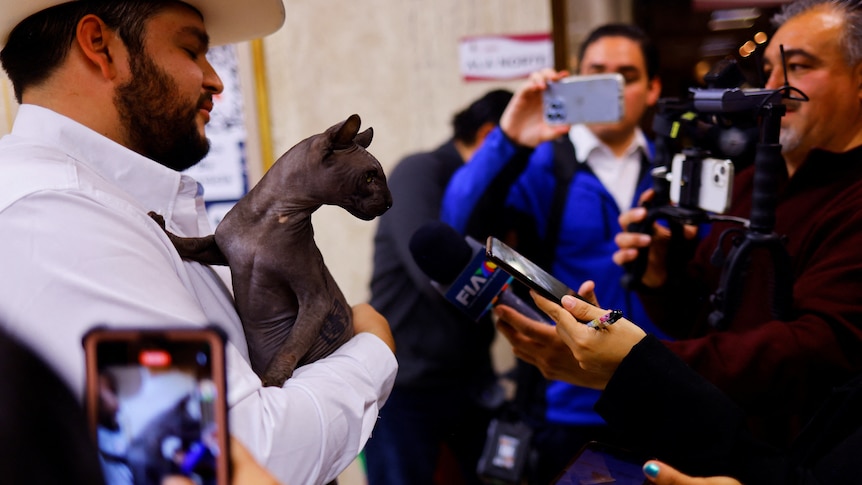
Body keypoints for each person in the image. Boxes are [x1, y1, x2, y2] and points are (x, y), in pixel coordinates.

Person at [0, 2, 397, 485]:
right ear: (99, 47)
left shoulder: (93, 206)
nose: (216, 80)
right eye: (192, 49)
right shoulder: (60, 218)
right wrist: (373, 351)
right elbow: (238, 458)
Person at [609, 0, 862, 447]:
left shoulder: (850, 199)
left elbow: (814, 350)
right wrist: (662, 274)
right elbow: (703, 320)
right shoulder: (749, 183)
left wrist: (637, 361)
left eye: (798, 67)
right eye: (768, 71)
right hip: (719, 443)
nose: (773, 88)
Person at [440, 23, 666, 483]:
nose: (612, 86)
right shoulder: (544, 162)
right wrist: (510, 137)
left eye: (627, 75)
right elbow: (459, 219)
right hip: (568, 404)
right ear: (575, 80)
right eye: (596, 73)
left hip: (664, 395)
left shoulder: (672, 167)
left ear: (653, 89)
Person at [494, 291, 862, 484]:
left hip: (733, 435)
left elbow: (806, 347)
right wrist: (658, 280)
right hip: (711, 431)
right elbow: (705, 311)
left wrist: (636, 363)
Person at [364, 89, 513, 484]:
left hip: (470, 378)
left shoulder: (497, 195)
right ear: (488, 136)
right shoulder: (420, 171)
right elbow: (438, 277)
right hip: (407, 385)